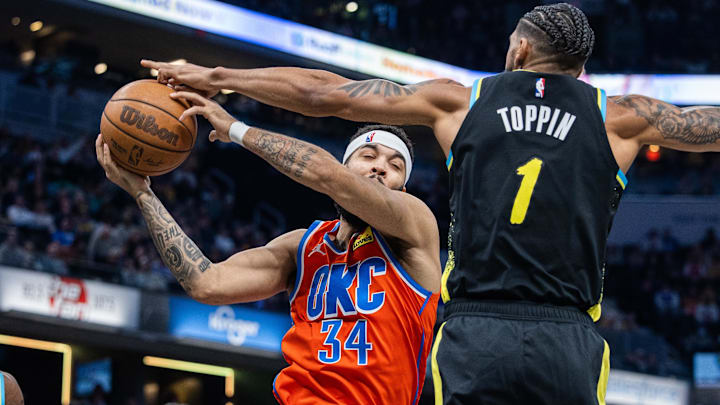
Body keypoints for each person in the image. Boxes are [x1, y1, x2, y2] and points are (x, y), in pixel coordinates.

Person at [143, 3, 720, 403]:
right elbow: (708, 126)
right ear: (582, 70)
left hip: (475, 329)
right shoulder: (620, 115)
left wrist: (219, 76)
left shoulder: (462, 102)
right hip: (567, 336)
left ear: (518, 50)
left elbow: (328, 94)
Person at [95, 91, 441, 404]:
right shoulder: (301, 247)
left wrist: (235, 130)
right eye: (368, 156)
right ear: (348, 166)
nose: (380, 167)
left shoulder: (414, 228)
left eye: (395, 166)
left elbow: (327, 176)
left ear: (404, 191)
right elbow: (207, 283)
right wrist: (143, 194)